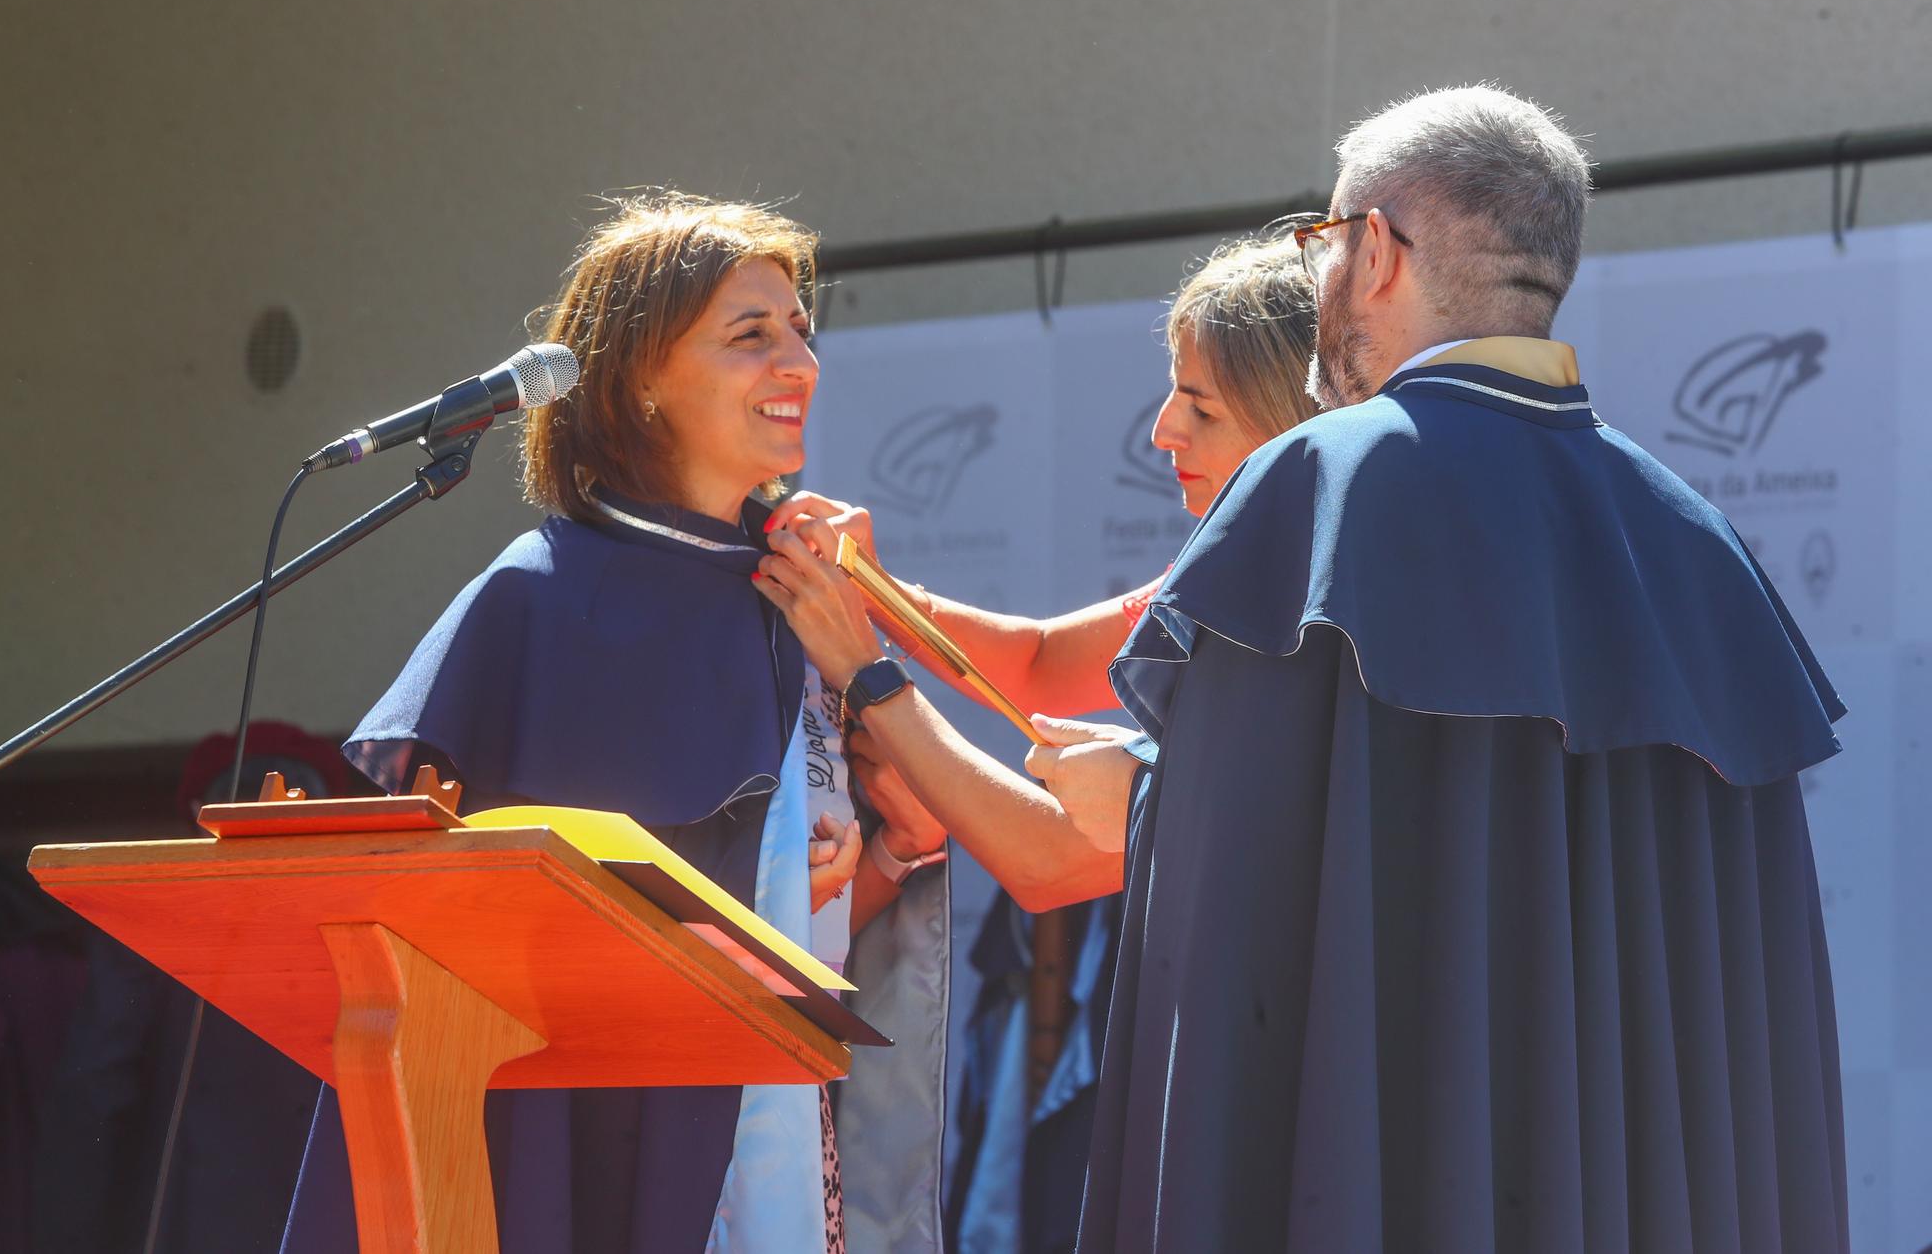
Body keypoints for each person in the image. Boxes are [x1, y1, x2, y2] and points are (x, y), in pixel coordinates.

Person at [1030, 86, 1849, 1252]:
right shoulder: (1695, 540)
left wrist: (1141, 800)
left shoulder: (1325, 488)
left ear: (1371, 251)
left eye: (1321, 244)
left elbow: (1239, 928)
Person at [280, 194, 948, 1254]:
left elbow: (771, 937)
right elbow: (495, 967)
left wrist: (878, 862)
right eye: (750, 335)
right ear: (638, 377)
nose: (799, 364)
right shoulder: (539, 602)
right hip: (582, 1154)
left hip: (767, 1143)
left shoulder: (802, 602)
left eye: (800, 332)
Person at [754, 238, 1315, 1254]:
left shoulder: (1286, 602)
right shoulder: (1248, 557)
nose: (1158, 430)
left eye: (1201, 406)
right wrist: (879, 589)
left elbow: (1048, 862)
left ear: (1296, 429)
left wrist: (867, 676)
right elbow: (1044, 660)